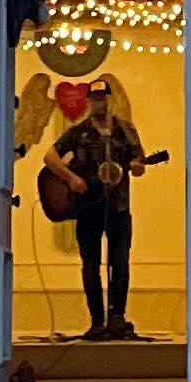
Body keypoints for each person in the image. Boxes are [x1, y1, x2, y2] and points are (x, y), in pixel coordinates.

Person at [42, 77, 146, 338]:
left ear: (109, 100)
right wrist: (71, 179)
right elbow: (49, 157)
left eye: (103, 98)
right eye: (95, 98)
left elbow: (139, 162)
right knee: (91, 264)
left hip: (119, 207)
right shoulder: (78, 132)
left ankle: (117, 317)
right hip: (88, 208)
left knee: (120, 262)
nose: (100, 103)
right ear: (89, 101)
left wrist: (138, 166)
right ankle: (97, 321)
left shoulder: (126, 130)